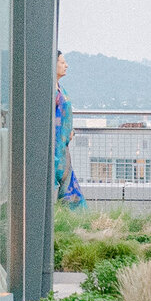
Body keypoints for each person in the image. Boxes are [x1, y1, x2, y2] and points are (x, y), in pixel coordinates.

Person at [54, 50, 85, 209]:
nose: (66, 65)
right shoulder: (50, 90)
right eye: (62, 62)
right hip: (54, 148)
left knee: (66, 181)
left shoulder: (59, 88)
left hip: (62, 145)